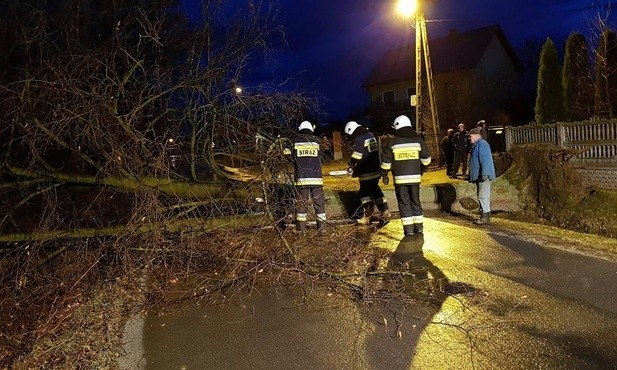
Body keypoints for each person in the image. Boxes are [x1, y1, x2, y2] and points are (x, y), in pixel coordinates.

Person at [380, 115, 431, 236]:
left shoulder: (392, 142)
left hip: (400, 180)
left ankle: (408, 230)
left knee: (404, 203)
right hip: (415, 179)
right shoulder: (418, 140)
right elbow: (427, 158)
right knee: (415, 202)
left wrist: (384, 175)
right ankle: (419, 228)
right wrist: (422, 169)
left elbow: (386, 162)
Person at [344, 121, 390, 224]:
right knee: (375, 191)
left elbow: (358, 156)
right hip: (375, 169)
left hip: (366, 170)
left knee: (364, 194)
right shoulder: (370, 135)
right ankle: (385, 211)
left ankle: (368, 215)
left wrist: (351, 163)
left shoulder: (360, 138)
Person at [291, 121, 326, 232]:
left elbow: (288, 156)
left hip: (301, 179)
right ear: (311, 129)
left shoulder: (295, 142)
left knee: (301, 204)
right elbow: (321, 157)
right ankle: (322, 228)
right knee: (319, 204)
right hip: (317, 179)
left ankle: (301, 229)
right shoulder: (317, 142)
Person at [468, 127, 496, 225]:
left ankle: (485, 217)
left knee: (483, 196)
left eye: (470, 136)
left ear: (476, 136)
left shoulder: (482, 144)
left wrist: (484, 174)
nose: (469, 138)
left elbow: (485, 160)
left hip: (483, 176)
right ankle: (485, 216)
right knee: (483, 196)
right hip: (481, 175)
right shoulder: (478, 145)